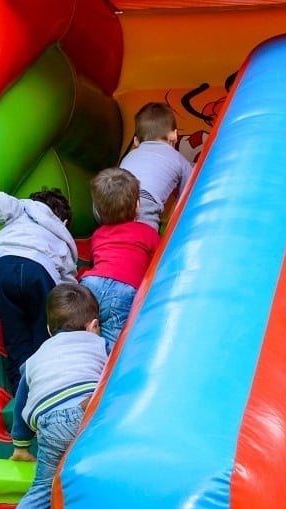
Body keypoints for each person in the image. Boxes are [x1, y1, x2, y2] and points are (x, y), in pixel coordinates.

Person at [0, 283, 108, 509]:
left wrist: (21, 446)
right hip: (86, 410)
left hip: (49, 422)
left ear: (49, 331)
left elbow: (21, 403)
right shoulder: (100, 344)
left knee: (42, 487)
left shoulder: (35, 359)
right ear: (93, 325)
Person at [0, 173, 78, 391]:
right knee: (45, 333)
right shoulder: (61, 236)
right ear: (65, 222)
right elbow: (68, 281)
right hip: (39, 272)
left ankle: (22, 392)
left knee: (15, 339)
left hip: (4, 266)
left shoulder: (20, 209)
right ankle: (47, 383)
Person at [80, 167, 160, 351]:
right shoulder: (148, 233)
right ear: (138, 205)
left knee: (85, 334)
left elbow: (98, 260)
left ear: (98, 211)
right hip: (123, 289)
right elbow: (157, 265)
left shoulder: (98, 235)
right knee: (115, 346)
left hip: (91, 284)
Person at [119, 102, 195, 232]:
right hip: (145, 203)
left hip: (115, 199)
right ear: (174, 135)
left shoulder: (130, 155)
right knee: (145, 237)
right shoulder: (178, 159)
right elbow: (189, 196)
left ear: (136, 141)